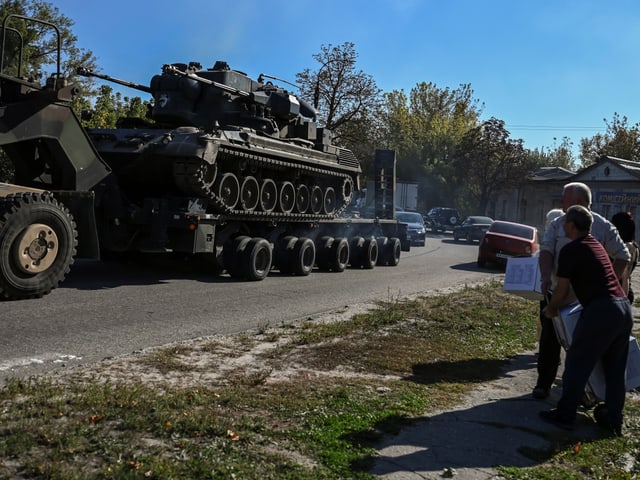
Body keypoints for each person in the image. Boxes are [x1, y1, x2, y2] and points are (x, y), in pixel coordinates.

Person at [539, 205, 633, 436]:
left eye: (564, 223)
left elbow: (560, 291)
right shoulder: (596, 246)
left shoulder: (572, 250)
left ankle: (565, 415)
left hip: (600, 311)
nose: (562, 226)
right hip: (623, 308)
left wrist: (550, 309)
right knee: (614, 369)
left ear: (571, 225)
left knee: (577, 363)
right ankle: (613, 419)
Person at [611, 211, 639, 302]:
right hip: (624, 292)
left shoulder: (624, 248)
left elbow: (625, 275)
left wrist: (622, 299)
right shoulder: (634, 247)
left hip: (619, 293)